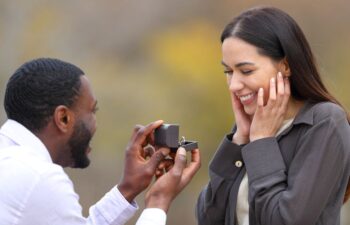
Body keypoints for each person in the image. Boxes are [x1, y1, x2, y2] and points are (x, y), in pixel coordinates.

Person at [196, 6, 350, 225]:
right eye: (228, 72)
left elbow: (287, 220)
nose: (234, 85)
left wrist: (261, 143)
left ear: (285, 66)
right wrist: (239, 139)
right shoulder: (249, 128)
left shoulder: (324, 122)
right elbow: (208, 218)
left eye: (246, 71)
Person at [0, 58, 201, 225]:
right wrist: (158, 202)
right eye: (92, 112)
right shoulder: (40, 178)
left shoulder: (13, 163)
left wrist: (127, 189)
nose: (95, 124)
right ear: (63, 118)